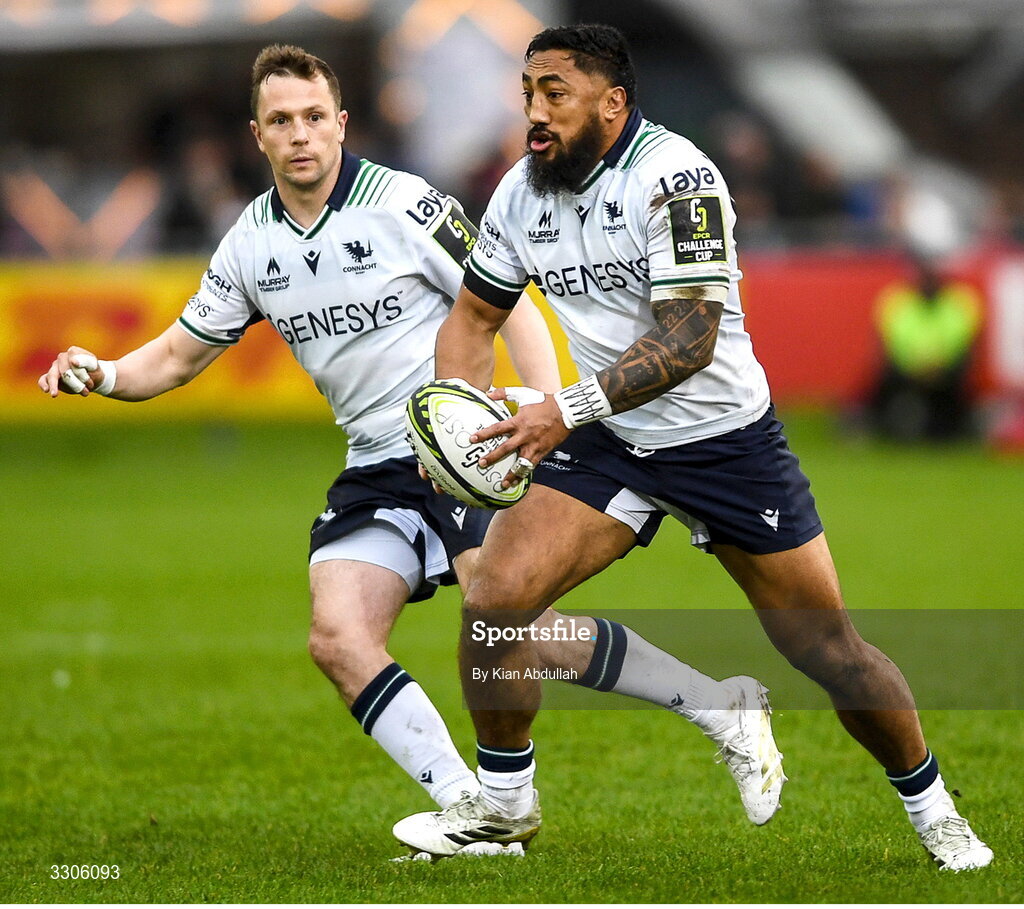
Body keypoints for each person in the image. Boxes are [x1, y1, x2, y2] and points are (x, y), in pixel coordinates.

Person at [39, 44, 786, 856]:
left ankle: (714, 707)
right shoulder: (249, 243)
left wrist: (538, 403)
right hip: (374, 464)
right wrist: (103, 371)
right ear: (257, 135)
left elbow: (508, 308)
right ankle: (474, 806)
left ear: (341, 123)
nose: (301, 136)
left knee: (509, 629)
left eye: (315, 118)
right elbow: (180, 355)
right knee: (338, 637)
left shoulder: (405, 204)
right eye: (282, 121)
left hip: (460, 448)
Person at [392, 24, 993, 872]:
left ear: (613, 103)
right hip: (610, 436)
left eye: (554, 94)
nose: (534, 112)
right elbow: (473, 320)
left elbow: (689, 338)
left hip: (724, 443)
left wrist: (564, 408)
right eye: (528, 92)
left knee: (826, 648)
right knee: (494, 604)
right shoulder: (521, 192)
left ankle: (937, 813)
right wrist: (445, 421)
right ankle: (501, 807)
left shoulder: (677, 178)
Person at [869, 256, 981, 441]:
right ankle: (876, 423)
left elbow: (967, 348)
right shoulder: (897, 302)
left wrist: (938, 369)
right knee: (881, 383)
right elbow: (887, 348)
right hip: (905, 371)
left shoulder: (959, 303)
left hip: (947, 372)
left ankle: (952, 427)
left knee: (957, 394)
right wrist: (917, 369)